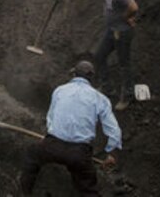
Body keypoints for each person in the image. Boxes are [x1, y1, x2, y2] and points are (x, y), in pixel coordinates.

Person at [20, 61, 122, 196]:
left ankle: (25, 193)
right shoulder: (100, 99)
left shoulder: (59, 90)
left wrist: (48, 138)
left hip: (52, 146)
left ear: (74, 74)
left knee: (32, 155)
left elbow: (50, 118)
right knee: (88, 188)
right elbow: (114, 130)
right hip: (79, 154)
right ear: (91, 78)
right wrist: (111, 153)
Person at [62, 0, 139, 110]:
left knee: (124, 64)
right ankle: (107, 88)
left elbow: (134, 7)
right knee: (99, 56)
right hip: (112, 30)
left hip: (122, 32)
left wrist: (125, 17)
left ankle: (128, 96)